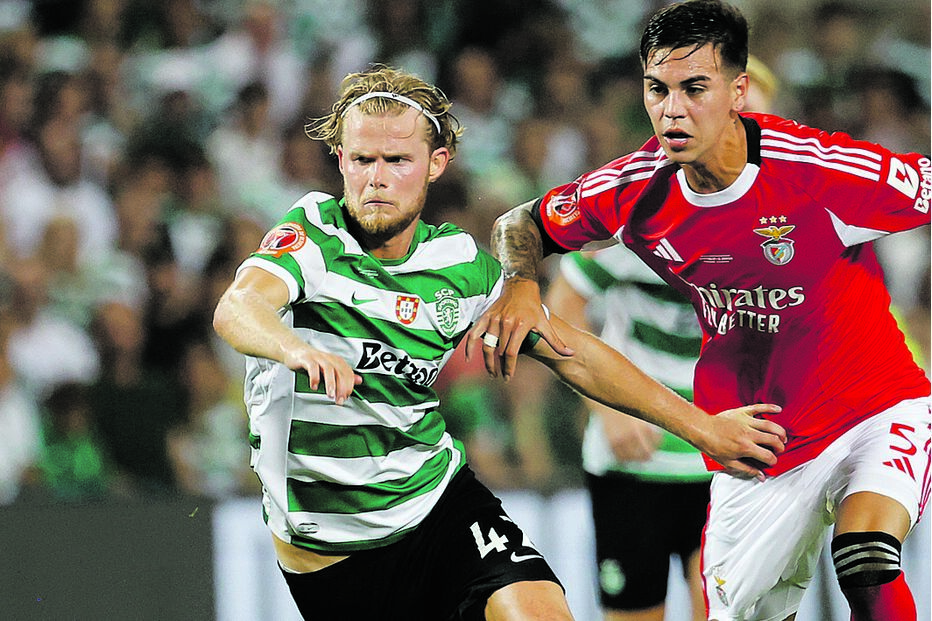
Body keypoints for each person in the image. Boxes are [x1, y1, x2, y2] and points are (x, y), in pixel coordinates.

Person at [212, 64, 786, 621]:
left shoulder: (458, 266)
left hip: (437, 505)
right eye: (361, 160)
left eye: (396, 161)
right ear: (339, 159)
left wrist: (703, 427)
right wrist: (295, 349)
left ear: (436, 164)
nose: (376, 178)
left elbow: (574, 354)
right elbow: (239, 305)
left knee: (541, 611)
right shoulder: (314, 233)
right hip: (330, 556)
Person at [466, 2, 931, 620]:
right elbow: (520, 222)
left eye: (695, 88)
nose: (673, 109)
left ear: (739, 92)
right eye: (657, 89)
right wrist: (523, 283)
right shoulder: (637, 190)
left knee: (866, 556)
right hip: (761, 439)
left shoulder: (817, 171)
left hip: (873, 405)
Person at [545, 243, 709, 621]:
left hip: (723, 463)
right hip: (633, 463)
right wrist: (609, 408)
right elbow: (560, 305)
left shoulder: (758, 227)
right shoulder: (643, 227)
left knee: (725, 610)